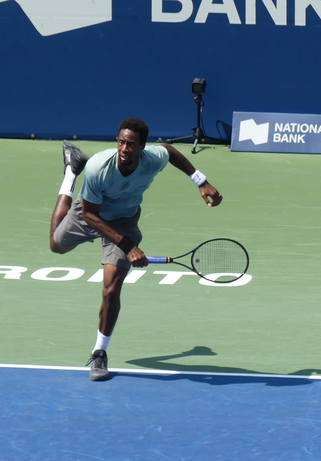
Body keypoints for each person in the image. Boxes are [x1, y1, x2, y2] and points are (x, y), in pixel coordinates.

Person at [49, 117, 223, 381]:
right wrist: (128, 246)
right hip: (91, 214)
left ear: (142, 146)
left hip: (124, 220)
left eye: (131, 144)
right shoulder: (98, 168)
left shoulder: (153, 158)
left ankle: (99, 353)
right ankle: (72, 171)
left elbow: (171, 151)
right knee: (56, 246)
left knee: (111, 287)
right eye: (121, 142)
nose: (124, 149)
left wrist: (200, 181)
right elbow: (89, 215)